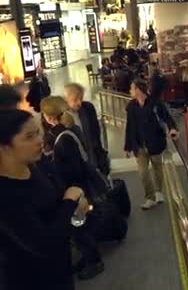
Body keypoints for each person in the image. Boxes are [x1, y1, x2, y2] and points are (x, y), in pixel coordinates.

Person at [0, 109, 86, 290]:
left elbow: (55, 208)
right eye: (29, 136)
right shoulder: (6, 194)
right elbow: (43, 243)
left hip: (60, 272)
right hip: (31, 280)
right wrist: (69, 202)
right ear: (4, 146)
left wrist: (75, 205)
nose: (40, 140)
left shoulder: (36, 166)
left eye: (38, 132)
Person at [40, 96, 105, 280]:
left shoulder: (61, 138)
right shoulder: (67, 132)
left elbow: (73, 168)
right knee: (79, 228)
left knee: (79, 230)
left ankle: (94, 261)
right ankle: (87, 258)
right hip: (79, 189)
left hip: (76, 191)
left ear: (49, 116)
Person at [124, 79, 178, 210]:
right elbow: (130, 127)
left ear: (138, 90)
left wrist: (172, 128)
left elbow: (167, 117)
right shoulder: (131, 106)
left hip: (155, 143)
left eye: (132, 88)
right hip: (140, 145)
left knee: (157, 169)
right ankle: (150, 197)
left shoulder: (155, 103)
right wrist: (127, 147)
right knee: (143, 173)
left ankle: (159, 191)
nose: (130, 91)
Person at [64, 83, 108, 175]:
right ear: (65, 99)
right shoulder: (61, 116)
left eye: (81, 98)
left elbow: (95, 133)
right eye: (75, 100)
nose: (79, 103)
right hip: (76, 160)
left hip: (92, 154)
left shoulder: (88, 108)